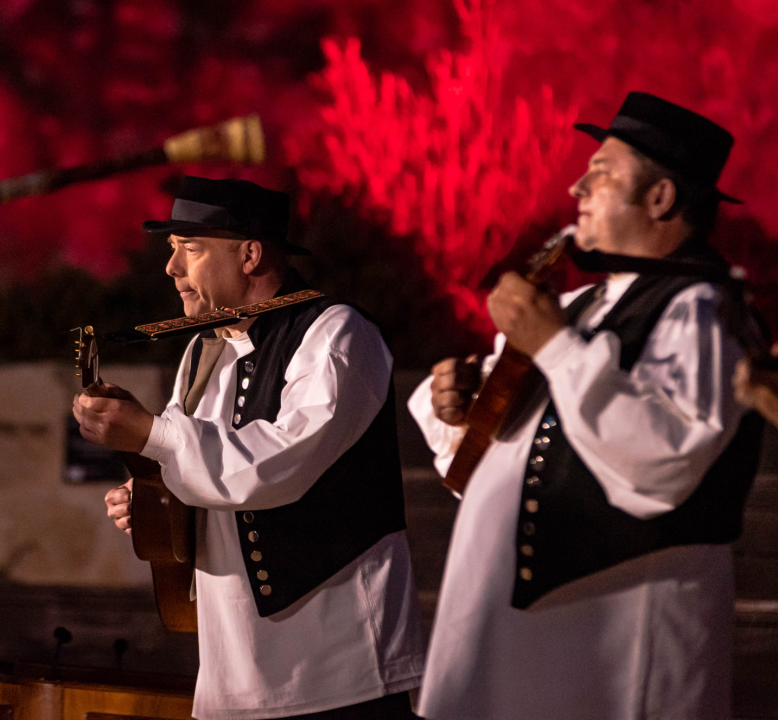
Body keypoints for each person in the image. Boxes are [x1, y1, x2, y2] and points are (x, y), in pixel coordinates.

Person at [410, 91, 763, 720]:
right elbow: (500, 449)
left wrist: (553, 345)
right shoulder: (582, 306)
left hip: (617, 639)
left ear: (660, 198)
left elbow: (667, 459)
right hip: (521, 636)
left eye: (601, 172)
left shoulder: (704, 313)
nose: (577, 187)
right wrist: (460, 408)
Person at [73, 176, 426, 719]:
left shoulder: (336, 335)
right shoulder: (201, 350)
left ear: (250, 255)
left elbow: (277, 463)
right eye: (172, 249)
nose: (171, 268)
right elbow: (192, 463)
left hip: (337, 665)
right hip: (232, 667)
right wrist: (148, 491)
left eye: (190, 249)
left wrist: (151, 435)